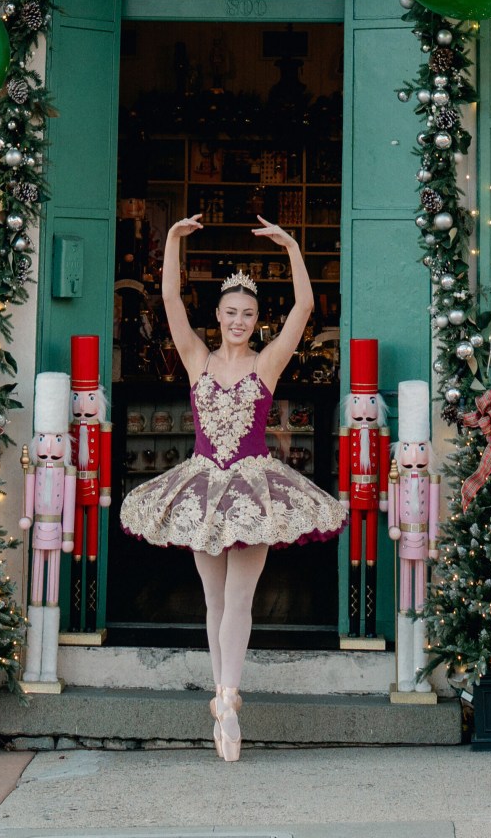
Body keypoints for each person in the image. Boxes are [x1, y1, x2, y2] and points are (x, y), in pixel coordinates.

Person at [119, 215, 344, 761]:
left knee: (240, 598)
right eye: (230, 313)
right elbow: (170, 300)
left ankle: (229, 700)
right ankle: (221, 702)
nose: (239, 320)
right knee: (213, 599)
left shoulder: (268, 364)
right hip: (202, 487)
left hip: (252, 489)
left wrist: (293, 246)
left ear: (256, 319)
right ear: (217, 316)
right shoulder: (197, 359)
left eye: (247, 313)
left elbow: (305, 310)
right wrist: (172, 239)